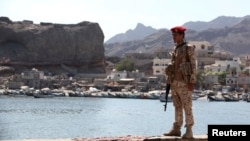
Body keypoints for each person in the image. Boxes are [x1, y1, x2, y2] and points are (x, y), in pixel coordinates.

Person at [164, 26, 197, 139]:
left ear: (182, 35)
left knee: (187, 106)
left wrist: (192, 81)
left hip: (184, 82)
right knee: (177, 105)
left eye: (176, 35)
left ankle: (189, 129)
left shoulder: (189, 48)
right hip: (174, 82)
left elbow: (193, 65)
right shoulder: (175, 49)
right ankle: (177, 128)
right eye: (173, 35)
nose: (174, 37)